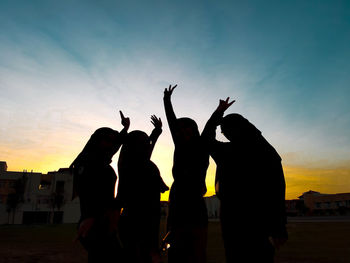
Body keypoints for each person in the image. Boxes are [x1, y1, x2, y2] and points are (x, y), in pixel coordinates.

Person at [202, 98, 288, 263]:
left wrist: (278, 227)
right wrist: (219, 114)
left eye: (226, 130)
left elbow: (277, 189)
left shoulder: (263, 152)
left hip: (256, 217)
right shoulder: (230, 150)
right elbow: (206, 140)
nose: (225, 134)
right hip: (232, 217)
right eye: (223, 131)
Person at [71, 111, 130, 263]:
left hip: (104, 222)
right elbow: (88, 190)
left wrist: (125, 128)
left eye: (112, 141)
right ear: (96, 141)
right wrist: (91, 216)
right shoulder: (88, 163)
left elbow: (116, 144)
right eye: (107, 140)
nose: (111, 145)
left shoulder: (100, 160)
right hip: (95, 222)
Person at [163, 85, 209, 263]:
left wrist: (218, 111)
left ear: (194, 129)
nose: (182, 132)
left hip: (195, 204)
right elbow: (172, 123)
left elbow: (209, 127)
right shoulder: (180, 146)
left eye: (186, 128)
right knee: (176, 249)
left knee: (197, 252)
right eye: (180, 130)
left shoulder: (202, 147)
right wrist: (167, 100)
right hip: (178, 203)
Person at [117, 115, 169, 263]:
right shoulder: (129, 164)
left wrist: (157, 130)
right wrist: (125, 130)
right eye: (142, 142)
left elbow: (149, 143)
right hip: (135, 221)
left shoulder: (142, 160)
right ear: (133, 146)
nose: (147, 144)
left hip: (150, 221)